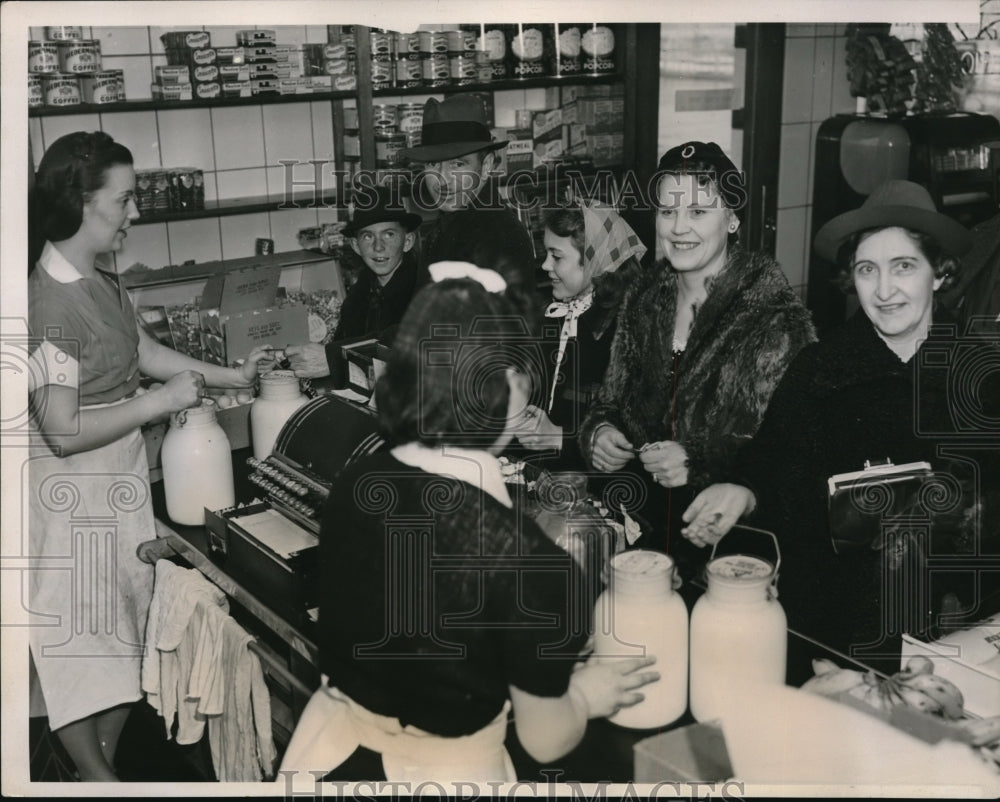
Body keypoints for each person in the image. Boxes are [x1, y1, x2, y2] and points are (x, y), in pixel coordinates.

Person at [279, 264, 658, 783]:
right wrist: (585, 696)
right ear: (507, 387)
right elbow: (544, 740)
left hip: (328, 755)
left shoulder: (360, 479)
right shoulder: (535, 567)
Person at [27, 131, 273, 781]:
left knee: (126, 629)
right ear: (81, 203)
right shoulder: (47, 303)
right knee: (85, 641)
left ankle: (92, 768)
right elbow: (61, 429)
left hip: (121, 474)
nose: (135, 214)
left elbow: (144, 355)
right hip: (72, 488)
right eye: (125, 200)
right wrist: (159, 404)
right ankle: (97, 777)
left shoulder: (99, 279)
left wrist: (232, 375)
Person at [682, 179, 1000, 672]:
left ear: (939, 273)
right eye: (868, 270)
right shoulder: (821, 368)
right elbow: (773, 458)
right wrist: (742, 489)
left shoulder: (979, 376)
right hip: (834, 630)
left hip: (948, 630)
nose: (885, 290)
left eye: (905, 267)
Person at [579, 141, 816, 580]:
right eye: (667, 212)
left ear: (732, 218)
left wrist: (699, 462)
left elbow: (794, 458)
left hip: (733, 558)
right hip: (645, 546)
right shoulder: (642, 302)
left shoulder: (773, 319)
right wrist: (600, 431)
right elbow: (611, 401)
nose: (678, 228)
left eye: (698, 212)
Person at [514, 201, 645, 473]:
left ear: (595, 260)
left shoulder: (628, 331)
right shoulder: (554, 314)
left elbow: (630, 444)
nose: (546, 265)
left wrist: (558, 437)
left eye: (556, 256)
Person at [399, 94, 537, 296]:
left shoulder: (498, 238)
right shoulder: (452, 222)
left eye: (457, 164)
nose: (442, 179)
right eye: (433, 164)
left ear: (486, 166)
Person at [285, 185, 426, 379]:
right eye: (368, 236)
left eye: (389, 234)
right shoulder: (357, 296)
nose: (378, 247)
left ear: (408, 241)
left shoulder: (423, 291)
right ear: (356, 246)